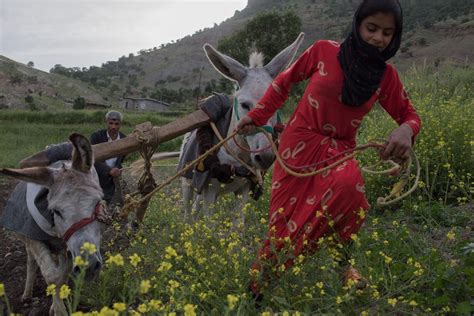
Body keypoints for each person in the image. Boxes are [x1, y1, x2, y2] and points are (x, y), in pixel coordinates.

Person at [236, 0, 421, 296]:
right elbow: (283, 83)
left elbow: (410, 116)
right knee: (283, 221)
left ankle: (342, 266)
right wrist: (255, 116)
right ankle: (258, 289)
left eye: (387, 33)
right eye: (371, 28)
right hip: (299, 144)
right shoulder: (323, 51)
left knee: (352, 197)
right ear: (358, 24)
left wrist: (405, 131)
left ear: (394, 37)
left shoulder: (386, 78)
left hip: (341, 150)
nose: (378, 38)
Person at [90, 110, 126, 204]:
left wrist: (118, 169)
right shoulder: (96, 137)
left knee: (107, 203)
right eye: (111, 123)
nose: (113, 127)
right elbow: (91, 158)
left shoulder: (124, 139)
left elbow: (121, 159)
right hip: (96, 177)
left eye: (116, 124)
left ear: (120, 124)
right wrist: (108, 170)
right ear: (106, 122)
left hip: (112, 180)